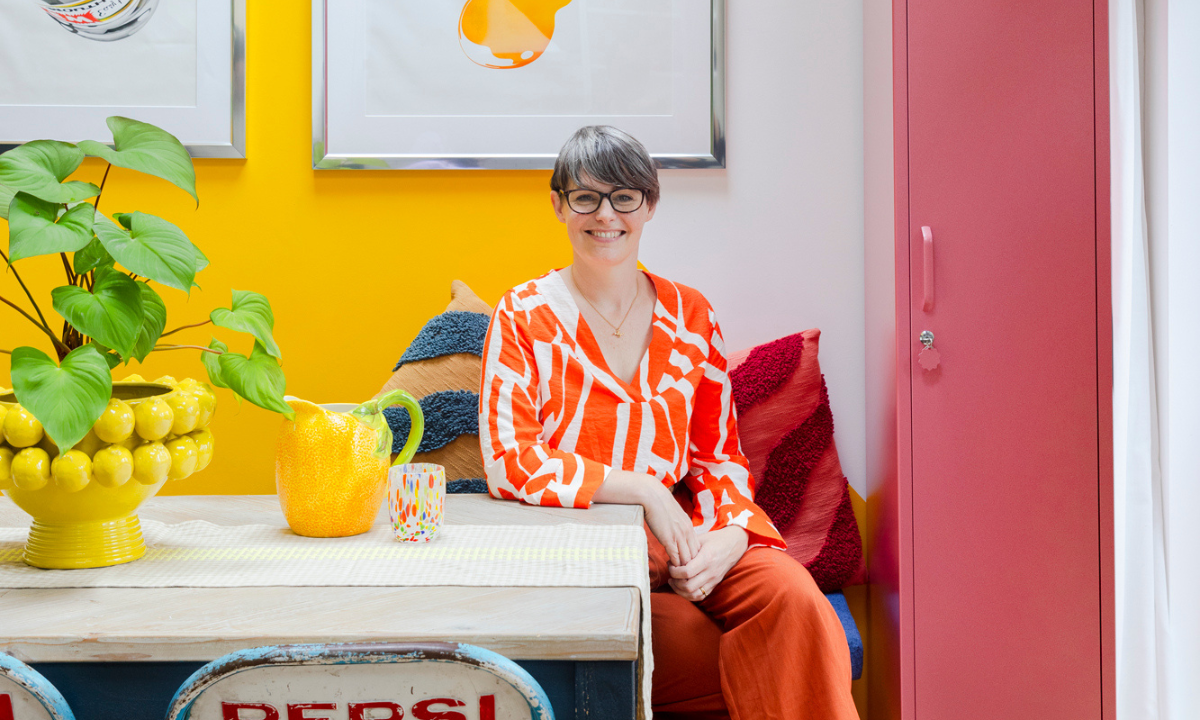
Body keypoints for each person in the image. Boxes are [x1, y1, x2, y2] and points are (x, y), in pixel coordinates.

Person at [478, 125, 857, 720]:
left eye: (625, 197)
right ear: (558, 204)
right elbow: (510, 460)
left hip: (693, 534)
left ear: (650, 204)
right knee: (701, 646)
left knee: (797, 602)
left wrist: (734, 536)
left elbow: (718, 456)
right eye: (586, 197)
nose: (606, 215)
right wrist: (644, 490)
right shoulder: (522, 315)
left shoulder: (692, 314)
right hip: (594, 551)